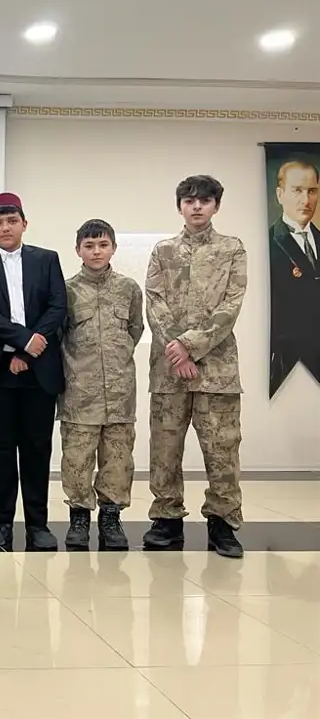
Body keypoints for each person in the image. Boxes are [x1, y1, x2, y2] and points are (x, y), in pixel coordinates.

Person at [144, 174, 247, 558]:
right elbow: (154, 303)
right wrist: (177, 352)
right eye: (189, 200)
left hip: (216, 371)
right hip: (169, 371)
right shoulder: (163, 251)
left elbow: (231, 306)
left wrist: (190, 346)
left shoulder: (232, 249)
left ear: (216, 205)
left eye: (204, 200)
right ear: (180, 207)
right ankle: (166, 518)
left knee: (222, 449)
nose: (197, 206)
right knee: (165, 448)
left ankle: (223, 522)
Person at [0, 192, 67, 551]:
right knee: (0, 449)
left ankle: (38, 523)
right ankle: (1, 521)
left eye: (12, 221)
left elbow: (57, 306)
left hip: (39, 370)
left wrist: (29, 350)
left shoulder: (47, 259)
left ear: (24, 223)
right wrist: (23, 341)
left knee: (37, 448)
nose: (5, 228)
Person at [58, 219, 143, 551]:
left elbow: (135, 330)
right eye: (89, 245)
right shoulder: (66, 291)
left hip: (120, 394)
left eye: (103, 245)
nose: (96, 251)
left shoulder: (128, 289)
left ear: (114, 248)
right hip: (79, 393)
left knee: (118, 460)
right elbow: (60, 336)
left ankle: (111, 517)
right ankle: (79, 517)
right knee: (77, 459)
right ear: (78, 250)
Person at [268, 160, 320, 396]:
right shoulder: (268, 242)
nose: (306, 200)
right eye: (297, 190)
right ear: (280, 195)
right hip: (286, 360)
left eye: (312, 191)